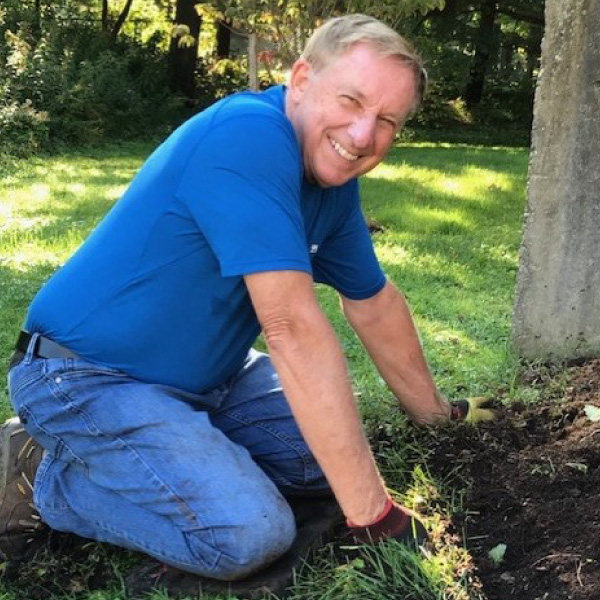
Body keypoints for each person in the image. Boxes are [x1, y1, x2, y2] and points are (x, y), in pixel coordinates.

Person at [1, 14, 495, 581]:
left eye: (386, 120)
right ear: (303, 78)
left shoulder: (331, 186)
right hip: (85, 376)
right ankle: (50, 481)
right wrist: (374, 516)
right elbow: (290, 327)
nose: (363, 136)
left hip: (214, 379)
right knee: (246, 534)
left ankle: (170, 450)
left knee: (322, 464)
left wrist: (436, 417)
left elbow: (375, 302)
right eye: (351, 101)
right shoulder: (247, 136)